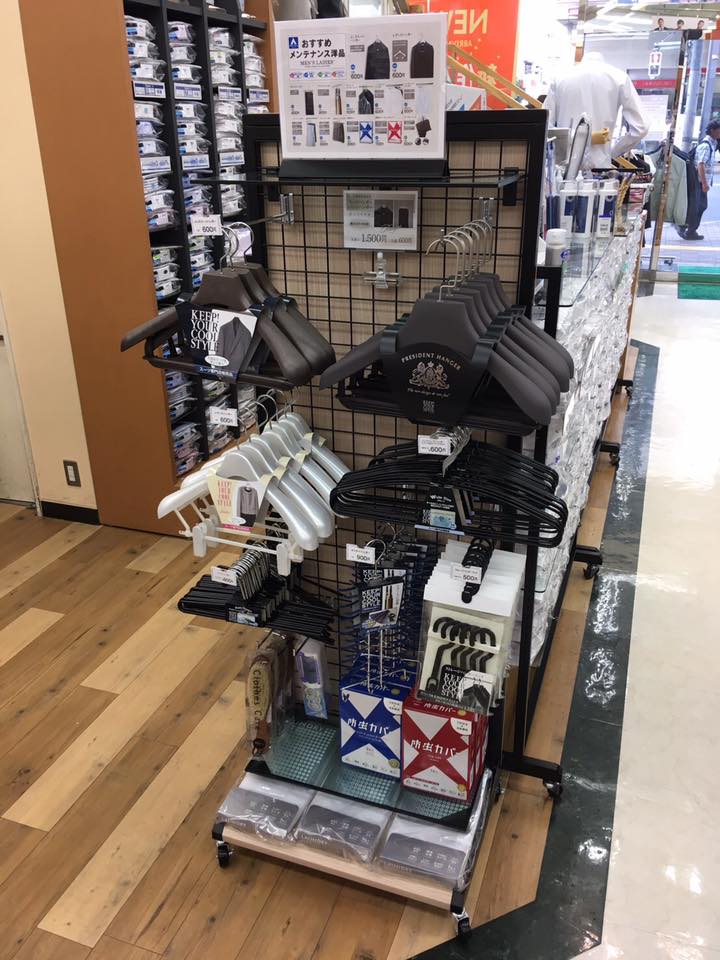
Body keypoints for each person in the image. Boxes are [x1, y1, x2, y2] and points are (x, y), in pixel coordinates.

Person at [681, 119, 720, 240]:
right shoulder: (706, 146)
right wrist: (704, 183)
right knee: (698, 206)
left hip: (700, 182)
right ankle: (688, 230)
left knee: (700, 206)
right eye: (719, 131)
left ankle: (690, 230)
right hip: (698, 182)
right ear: (712, 130)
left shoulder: (712, 144)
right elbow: (700, 165)